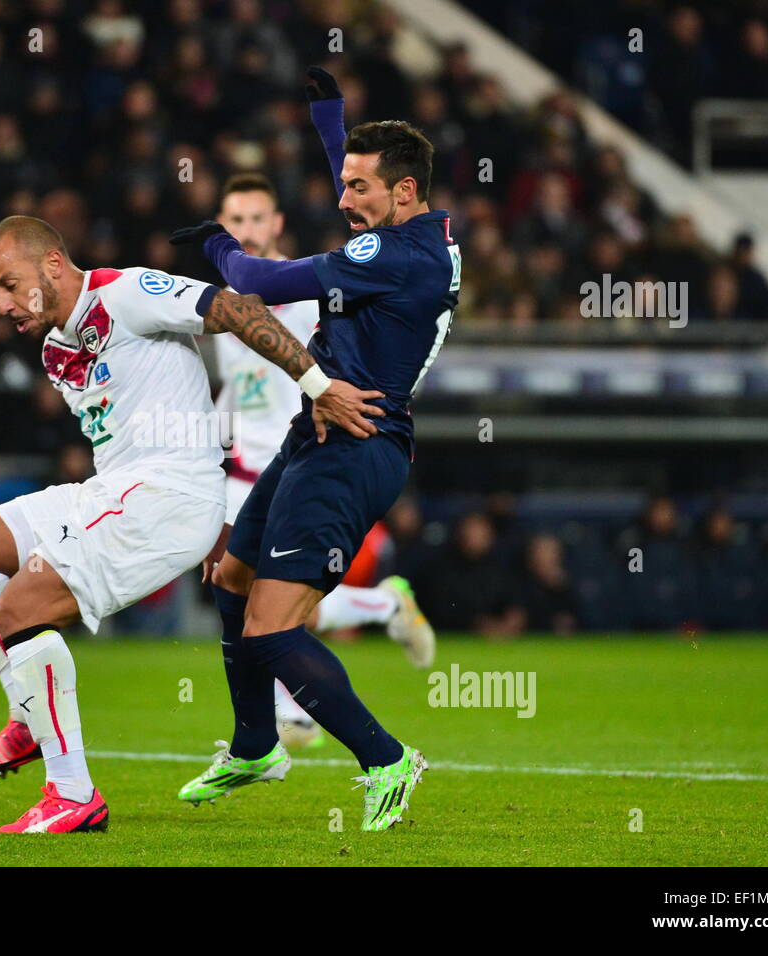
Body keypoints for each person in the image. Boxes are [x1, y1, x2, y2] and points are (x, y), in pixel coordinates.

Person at [0, 214, 378, 833]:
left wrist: (318, 384)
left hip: (167, 496)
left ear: (54, 265)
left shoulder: (125, 293)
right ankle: (27, 716)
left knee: (21, 607)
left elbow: (234, 311)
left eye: (9, 284)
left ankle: (72, 795)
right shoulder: (54, 348)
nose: (2, 303)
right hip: (116, 489)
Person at [168, 66, 461, 831]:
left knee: (272, 627)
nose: (342, 199)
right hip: (318, 428)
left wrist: (218, 245)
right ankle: (256, 744)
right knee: (232, 579)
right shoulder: (410, 229)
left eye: (358, 188)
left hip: (356, 442)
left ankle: (386, 757)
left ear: (401, 195)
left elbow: (262, 277)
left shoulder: (396, 258)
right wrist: (331, 120)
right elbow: (359, 178)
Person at [206, 171, 435, 751]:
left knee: (270, 600)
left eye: (257, 218)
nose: (247, 229)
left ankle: (300, 704)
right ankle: (278, 718)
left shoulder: (308, 287)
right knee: (233, 583)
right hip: (241, 472)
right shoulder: (220, 304)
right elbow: (238, 386)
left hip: (307, 457)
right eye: (234, 220)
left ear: (276, 223)